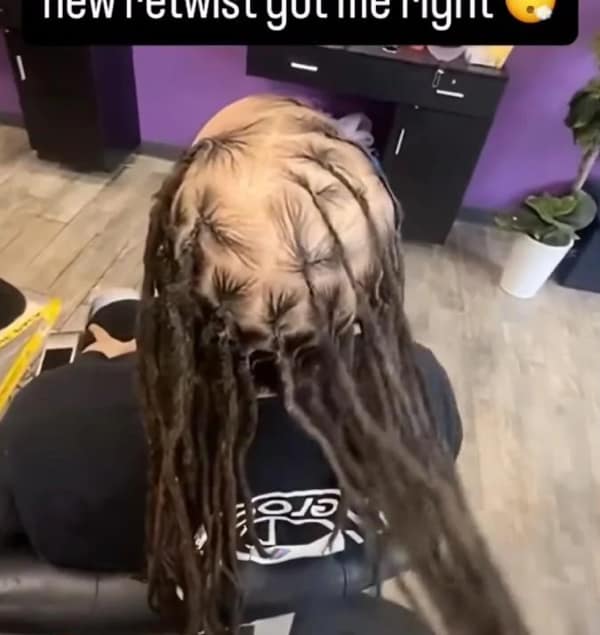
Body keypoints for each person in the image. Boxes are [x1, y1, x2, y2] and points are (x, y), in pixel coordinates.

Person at [0, 96, 528, 635]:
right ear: (376, 279)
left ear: (172, 262)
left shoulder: (51, 423)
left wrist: (110, 369)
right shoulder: (419, 392)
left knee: (117, 313)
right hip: (294, 591)